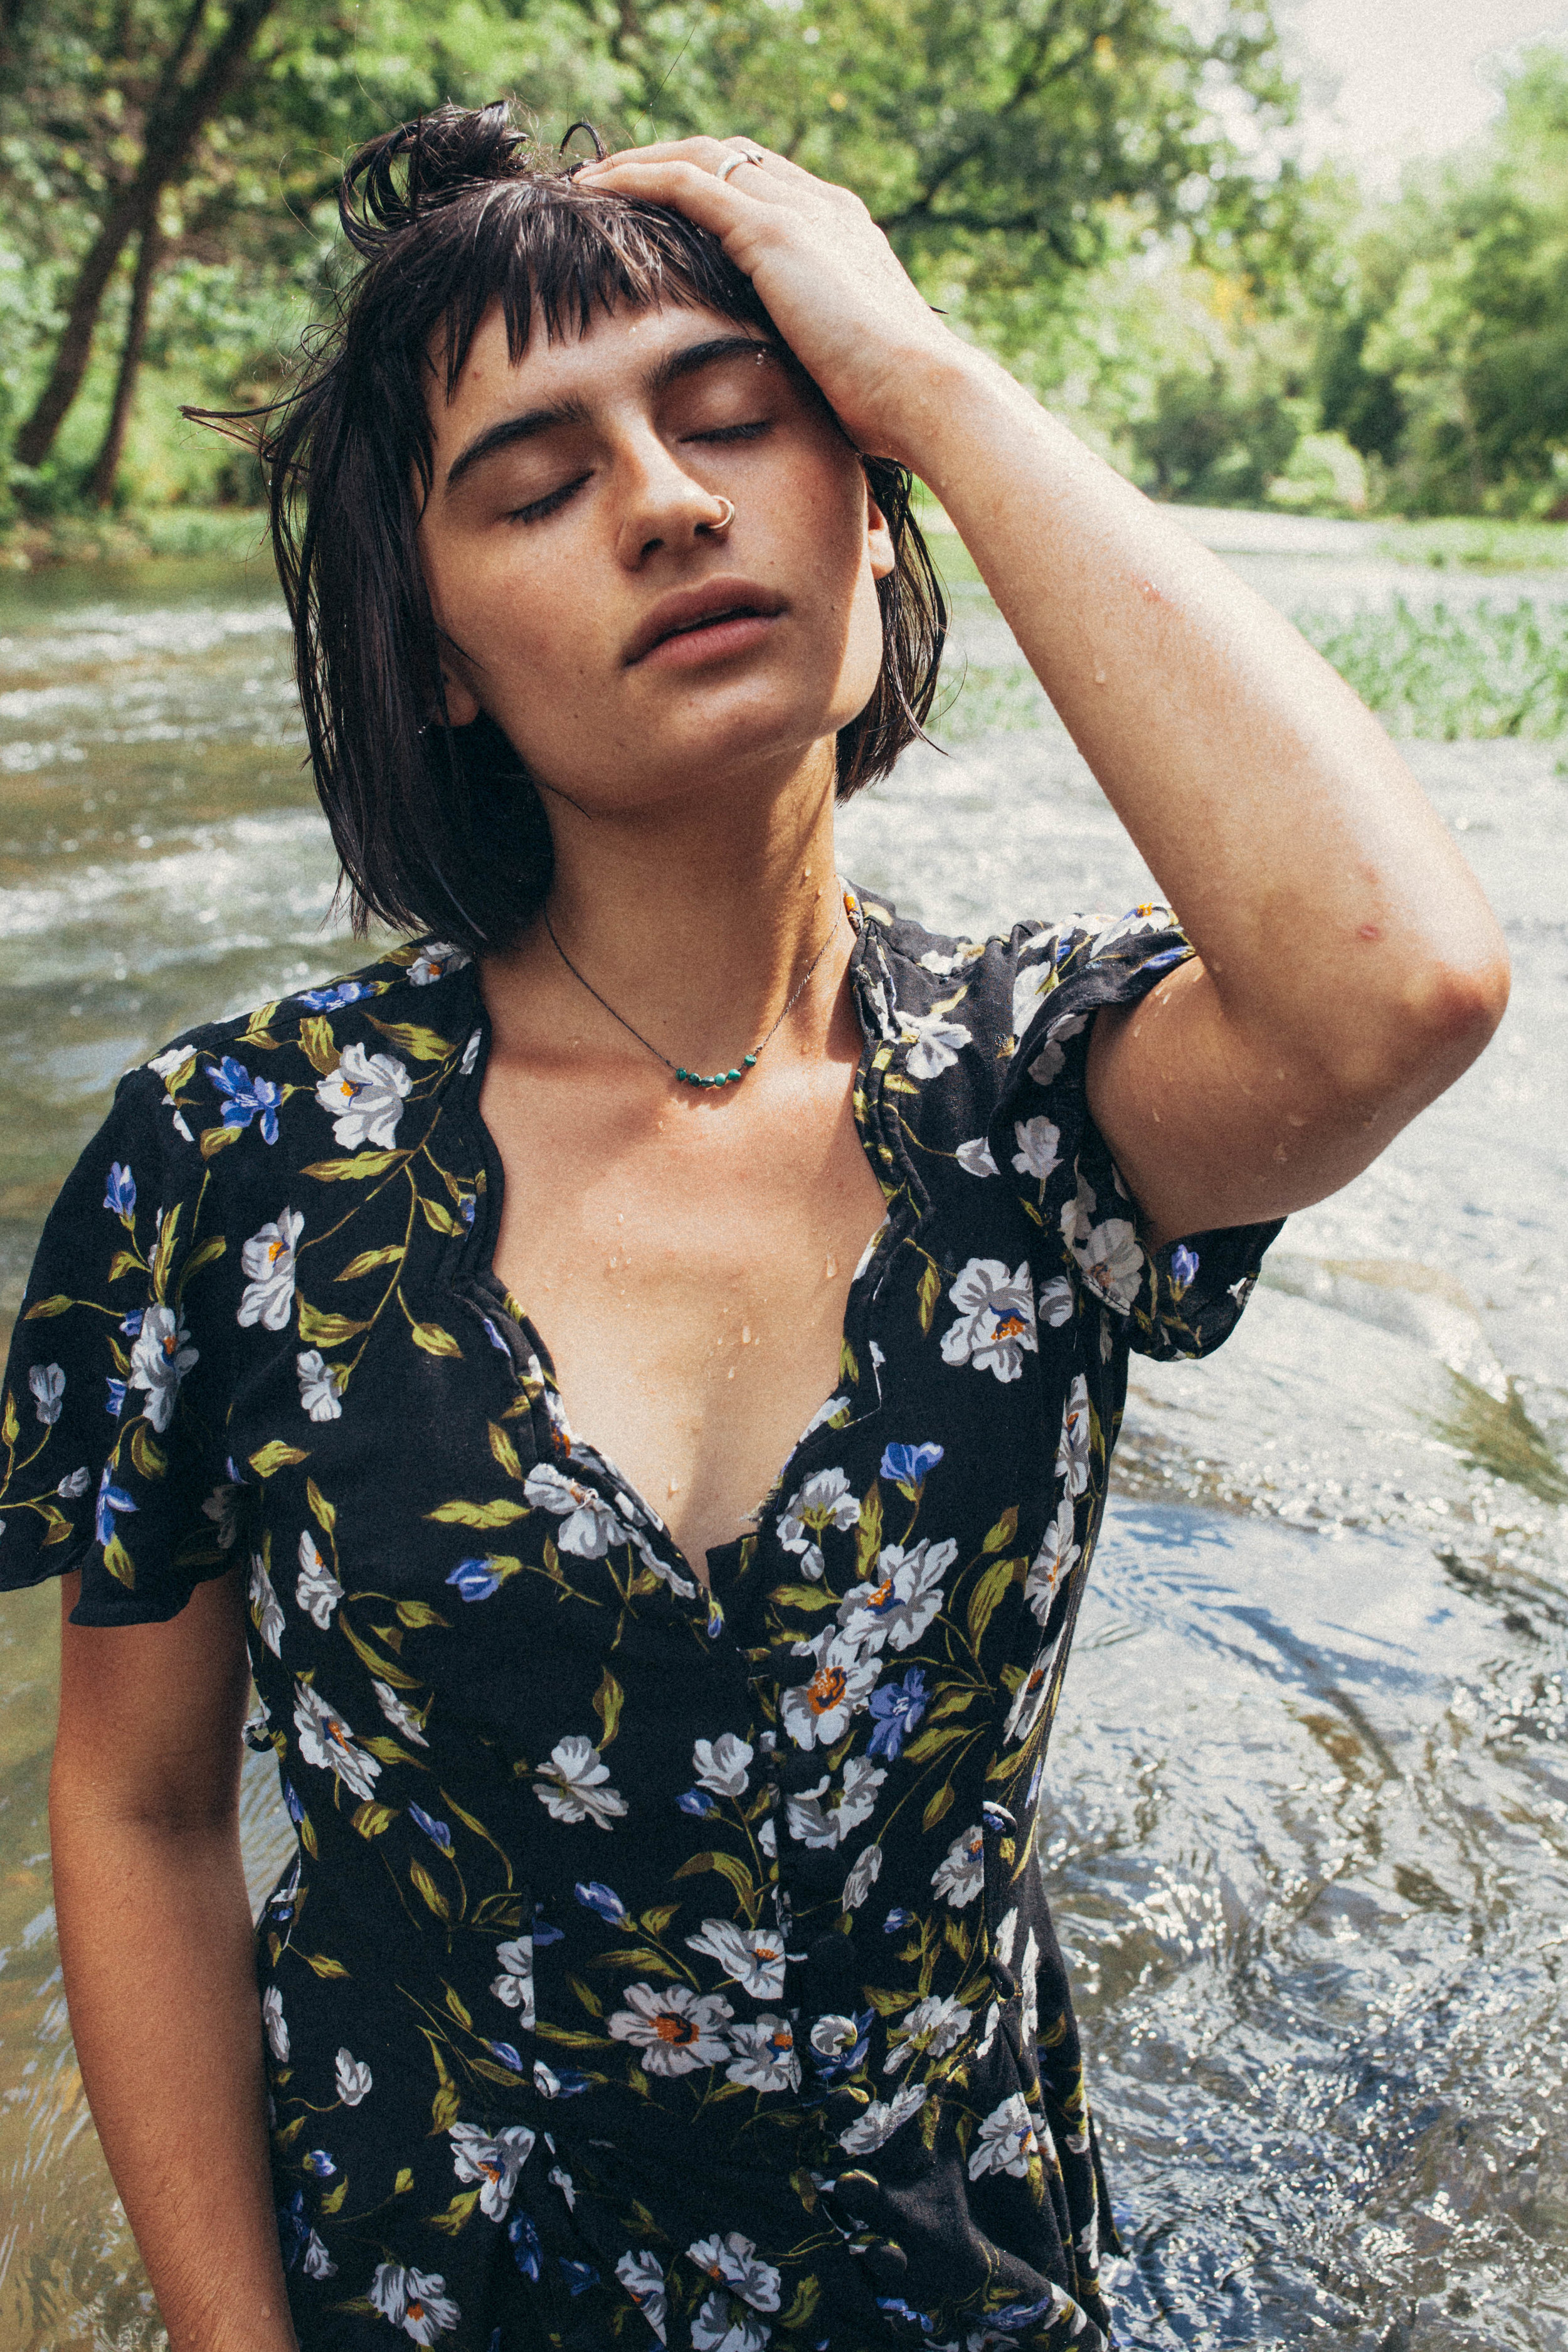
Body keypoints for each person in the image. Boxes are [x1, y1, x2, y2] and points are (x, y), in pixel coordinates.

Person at [0, 98, 1508, 2352]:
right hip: (408, 2291)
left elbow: (1398, 986)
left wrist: (930, 378)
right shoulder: (236, 1165)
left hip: (959, 2290)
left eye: (741, 421)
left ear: (880, 526)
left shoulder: (1039, 1097)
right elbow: (135, 1809)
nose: (673, 502)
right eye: (536, 482)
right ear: (431, 654)